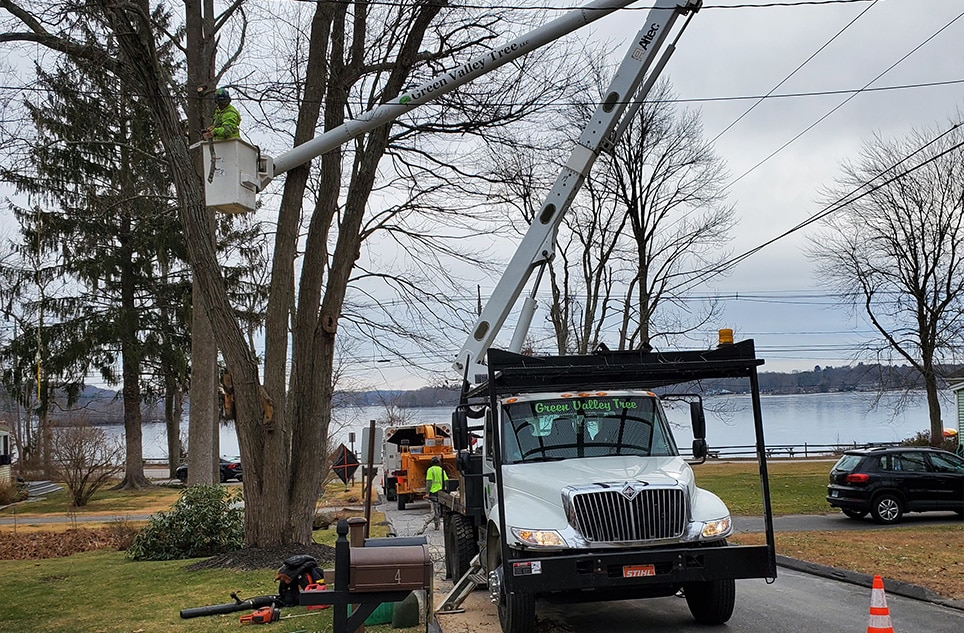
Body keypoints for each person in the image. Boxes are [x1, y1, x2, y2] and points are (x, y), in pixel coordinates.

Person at [425, 456, 448, 530]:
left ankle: (437, 525)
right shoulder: (442, 470)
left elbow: (429, 482)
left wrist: (427, 493)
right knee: (442, 508)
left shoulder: (430, 470)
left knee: (435, 509)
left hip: (433, 492)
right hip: (441, 492)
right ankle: (443, 524)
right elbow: (446, 481)